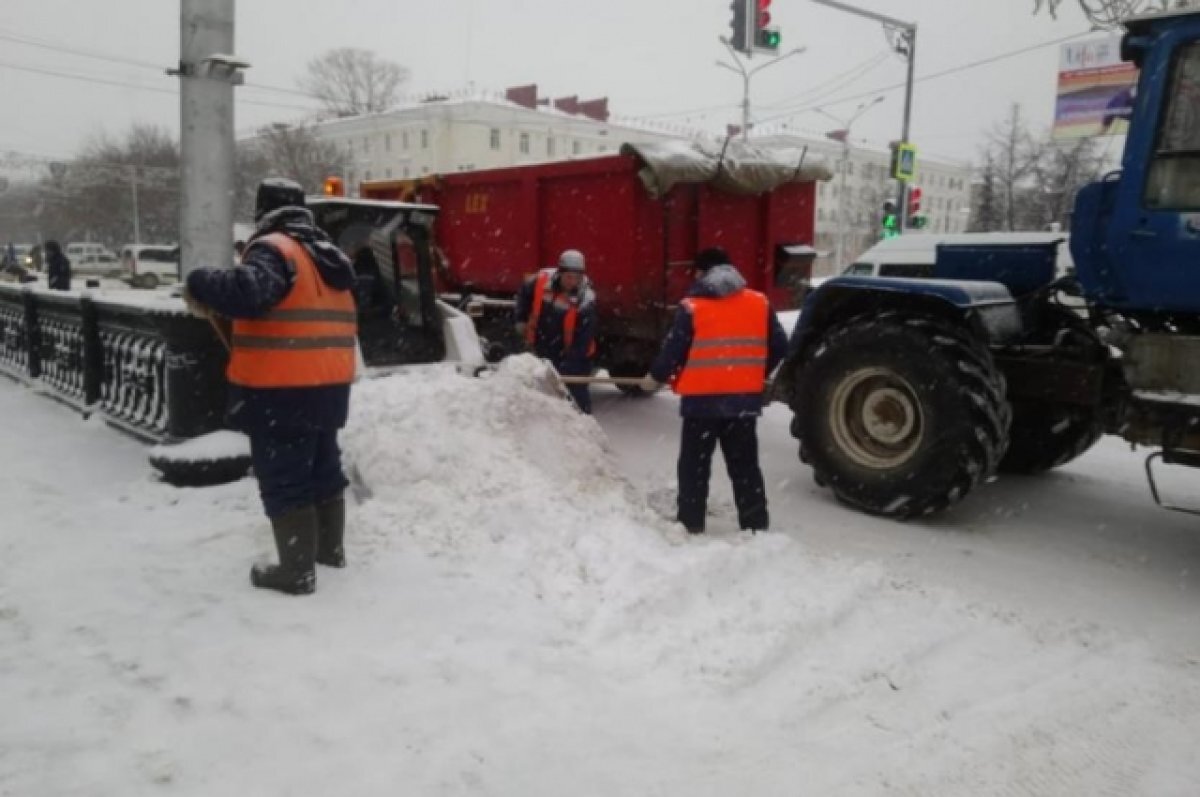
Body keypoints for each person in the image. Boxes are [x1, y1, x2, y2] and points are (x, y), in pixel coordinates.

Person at [184, 178, 358, 596]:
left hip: (282, 388)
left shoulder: (275, 249)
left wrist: (200, 281)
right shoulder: (328, 255)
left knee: (284, 476)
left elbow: (250, 291)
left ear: (263, 212)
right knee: (322, 469)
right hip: (328, 384)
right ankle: (328, 552)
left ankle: (296, 571)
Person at [640, 247, 789, 535]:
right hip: (743, 403)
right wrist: (755, 372)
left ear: (701, 273)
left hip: (702, 404)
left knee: (694, 467)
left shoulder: (693, 306)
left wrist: (655, 377)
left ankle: (691, 522)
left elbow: (674, 349)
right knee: (745, 466)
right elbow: (781, 345)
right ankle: (755, 523)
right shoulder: (759, 302)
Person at [514, 249, 598, 413]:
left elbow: (582, 342)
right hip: (542, 346)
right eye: (568, 276)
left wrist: (565, 370)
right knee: (535, 397)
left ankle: (583, 428)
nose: (572, 281)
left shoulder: (586, 301)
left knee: (577, 402)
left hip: (573, 356)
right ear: (559, 273)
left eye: (576, 277)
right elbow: (523, 294)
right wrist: (521, 320)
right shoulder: (541, 280)